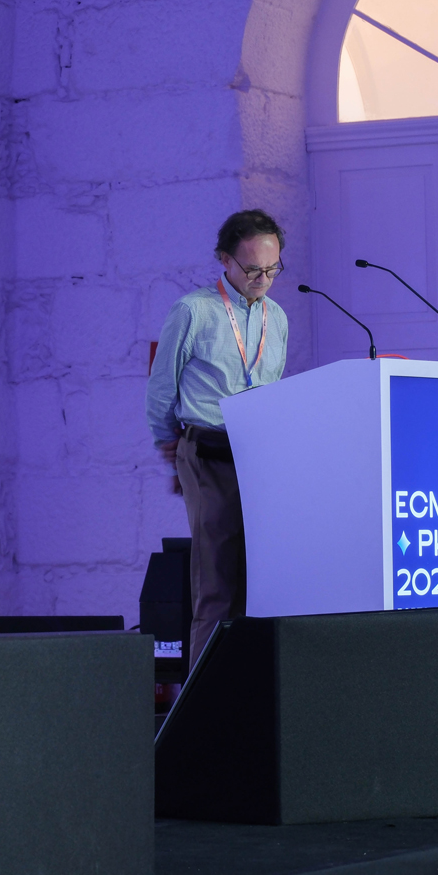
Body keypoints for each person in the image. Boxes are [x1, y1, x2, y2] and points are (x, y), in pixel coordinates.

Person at [146, 209, 290, 665]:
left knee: (260, 581)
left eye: (272, 269)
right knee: (217, 582)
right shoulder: (193, 311)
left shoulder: (277, 318)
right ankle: (204, 696)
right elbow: (161, 389)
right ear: (225, 259)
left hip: (258, 456)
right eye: (252, 269)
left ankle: (250, 686)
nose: (262, 279)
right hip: (208, 450)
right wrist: (171, 445)